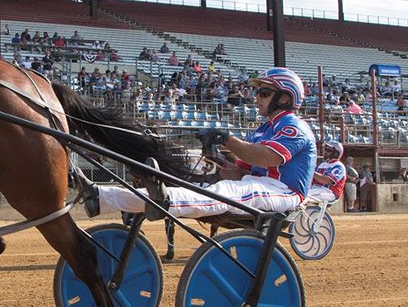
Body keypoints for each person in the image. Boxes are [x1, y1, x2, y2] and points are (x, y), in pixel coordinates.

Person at [91, 66, 317, 220]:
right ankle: (102, 197)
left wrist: (225, 138)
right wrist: (218, 162)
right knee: (198, 188)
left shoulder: (294, 126)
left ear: (285, 98)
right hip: (257, 186)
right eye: (258, 92)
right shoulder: (263, 130)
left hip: (285, 192)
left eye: (264, 92)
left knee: (224, 193)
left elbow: (265, 157)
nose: (256, 97)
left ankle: (167, 201)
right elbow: (240, 173)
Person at [309, 139, 348, 207]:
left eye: (329, 150)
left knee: (304, 196)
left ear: (336, 153)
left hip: (329, 192)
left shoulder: (338, 166)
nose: (325, 152)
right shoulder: (322, 164)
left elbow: (327, 180)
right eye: (325, 149)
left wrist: (310, 171)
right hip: (317, 189)